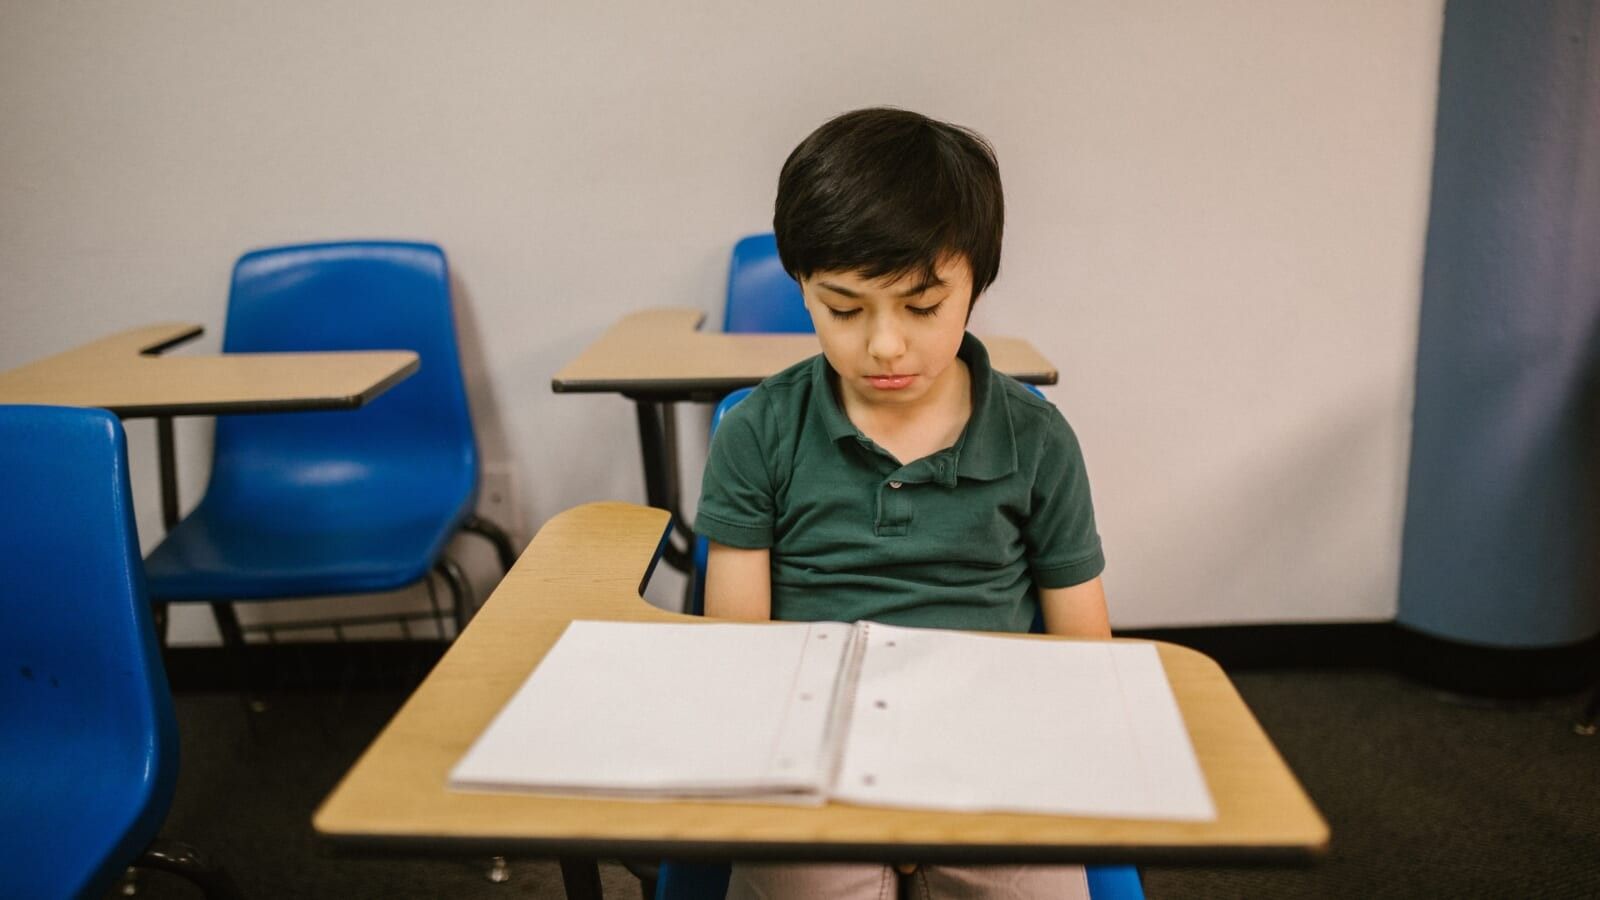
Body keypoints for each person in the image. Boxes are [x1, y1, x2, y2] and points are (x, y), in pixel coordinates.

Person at [696, 107, 1109, 900]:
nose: (884, 344)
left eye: (921, 307)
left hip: (993, 753)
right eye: (844, 310)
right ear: (802, 290)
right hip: (813, 753)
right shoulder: (759, 432)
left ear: (975, 286)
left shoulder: (1037, 440)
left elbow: (1083, 657)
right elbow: (740, 656)